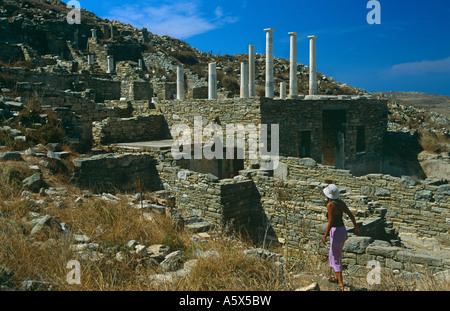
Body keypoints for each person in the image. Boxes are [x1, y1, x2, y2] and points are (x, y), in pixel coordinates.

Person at [322, 184, 360, 291]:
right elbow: (351, 215)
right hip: (342, 230)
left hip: (336, 231)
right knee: (332, 253)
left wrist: (325, 236)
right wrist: (356, 227)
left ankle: (341, 283)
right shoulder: (341, 203)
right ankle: (336, 277)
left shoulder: (330, 205)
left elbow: (331, 222)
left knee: (336, 256)